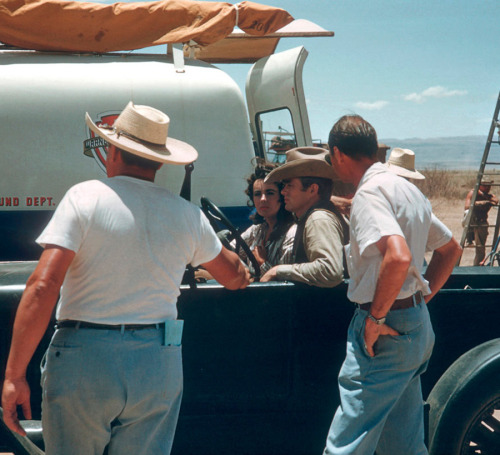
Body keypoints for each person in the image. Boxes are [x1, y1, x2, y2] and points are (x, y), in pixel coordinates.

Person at [1, 101, 250, 455]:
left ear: (113, 151)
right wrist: (247, 268)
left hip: (83, 357)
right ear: (160, 161)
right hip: (157, 361)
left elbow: (43, 285)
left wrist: (14, 375)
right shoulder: (187, 215)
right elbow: (233, 276)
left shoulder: (84, 197)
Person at [324, 114, 462, 454]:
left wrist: (376, 318)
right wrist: (417, 301)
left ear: (338, 153)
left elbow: (397, 257)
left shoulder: (370, 192)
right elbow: (450, 249)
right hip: (414, 326)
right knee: (403, 443)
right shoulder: (406, 190)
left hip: (384, 331)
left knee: (346, 444)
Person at [260, 147, 348, 288]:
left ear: (312, 189)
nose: (283, 191)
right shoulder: (317, 215)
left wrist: (278, 270)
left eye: (289, 185)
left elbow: (329, 270)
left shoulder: (318, 219)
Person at [236, 164, 296, 277]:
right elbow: (232, 250)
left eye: (270, 193)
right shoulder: (257, 230)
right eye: (257, 194)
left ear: (282, 197)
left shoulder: (291, 233)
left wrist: (262, 263)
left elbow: (284, 283)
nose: (263, 199)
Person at [464, 181, 498, 265]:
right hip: (472, 222)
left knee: (480, 249)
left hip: (482, 223)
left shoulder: (487, 196)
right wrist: (479, 203)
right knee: (468, 213)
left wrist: (484, 197)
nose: (488, 188)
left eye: (489, 185)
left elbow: (496, 200)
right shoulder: (473, 193)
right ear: (480, 185)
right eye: (485, 185)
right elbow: (467, 207)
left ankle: (477, 267)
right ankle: (469, 237)